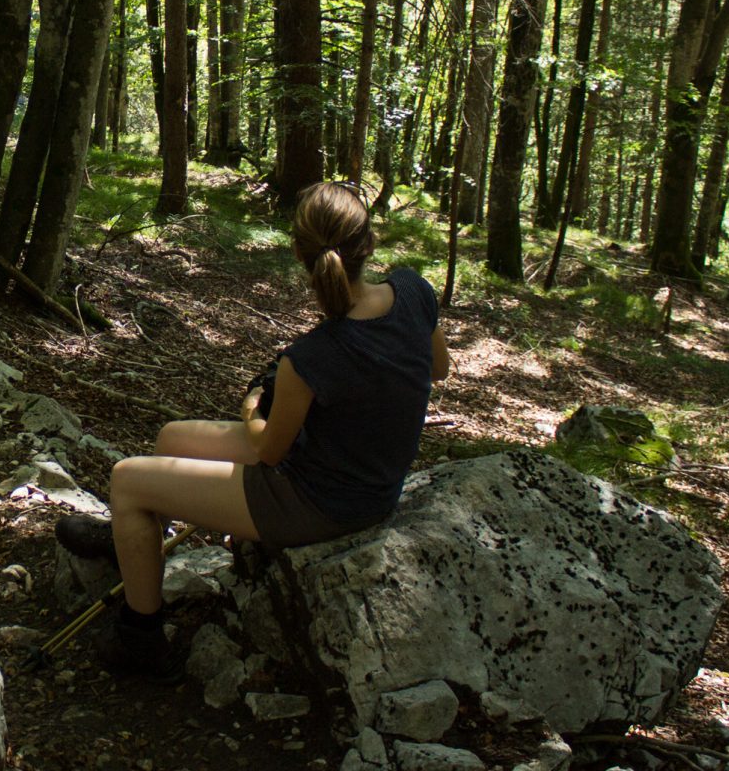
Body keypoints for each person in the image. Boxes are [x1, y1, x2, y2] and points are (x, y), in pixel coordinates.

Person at [58, 180, 451, 679]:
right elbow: (438, 369)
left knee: (127, 480)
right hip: (353, 473)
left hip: (322, 502)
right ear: (367, 241)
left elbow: (268, 450)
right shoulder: (414, 291)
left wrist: (252, 405)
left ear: (299, 254)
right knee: (171, 439)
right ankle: (134, 551)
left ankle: (141, 636)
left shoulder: (312, 356)